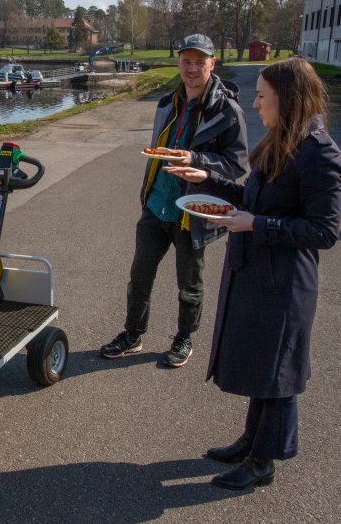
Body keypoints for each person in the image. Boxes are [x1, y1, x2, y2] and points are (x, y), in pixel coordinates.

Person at [162, 57, 341, 489]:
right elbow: (250, 195)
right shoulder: (282, 141)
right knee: (263, 364)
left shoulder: (320, 154)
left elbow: (323, 231)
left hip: (285, 282)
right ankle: (251, 440)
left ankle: (263, 462)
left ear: (288, 98)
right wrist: (205, 176)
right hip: (257, 271)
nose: (257, 103)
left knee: (279, 372)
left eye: (263, 96)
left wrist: (256, 225)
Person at [100, 34, 248, 366]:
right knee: (139, 275)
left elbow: (236, 164)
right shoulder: (167, 102)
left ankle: (184, 337)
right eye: (186, 61)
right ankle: (133, 334)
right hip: (156, 205)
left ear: (212, 63)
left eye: (200, 61)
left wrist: (196, 159)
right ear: (178, 63)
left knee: (189, 282)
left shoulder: (228, 111)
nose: (192, 68)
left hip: (192, 210)